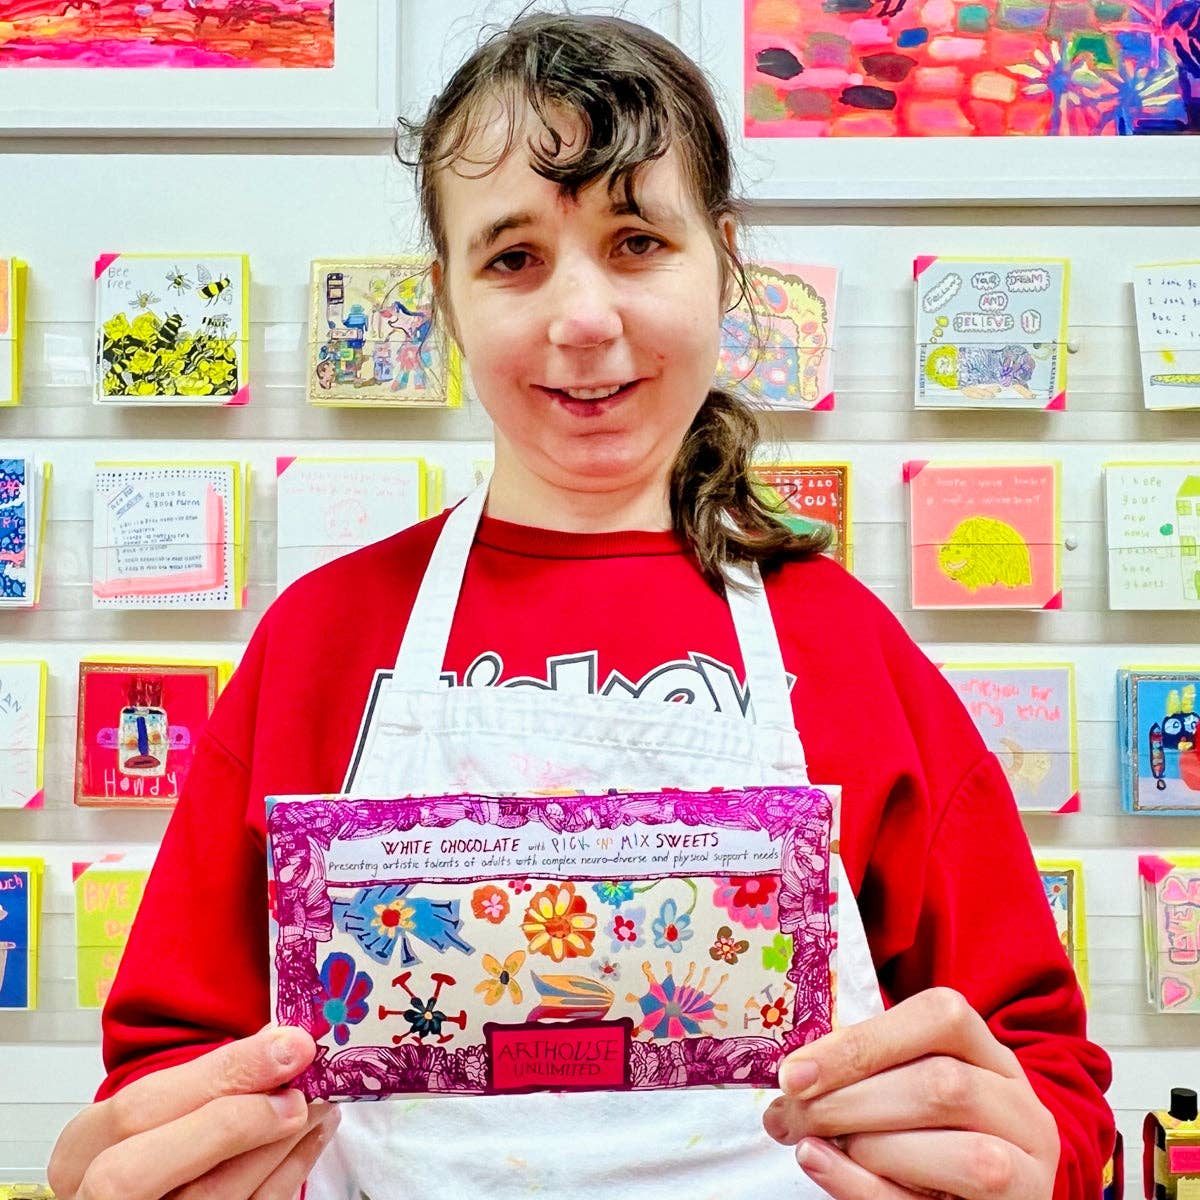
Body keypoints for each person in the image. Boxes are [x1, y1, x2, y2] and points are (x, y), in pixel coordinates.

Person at [48, 12, 1114, 1200]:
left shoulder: (846, 646)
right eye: (512, 258)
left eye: (637, 241)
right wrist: (149, 1163)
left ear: (722, 262)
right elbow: (169, 1063)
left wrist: (1033, 1161)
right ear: (446, 304)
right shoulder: (322, 641)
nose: (584, 318)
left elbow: (1046, 1080)